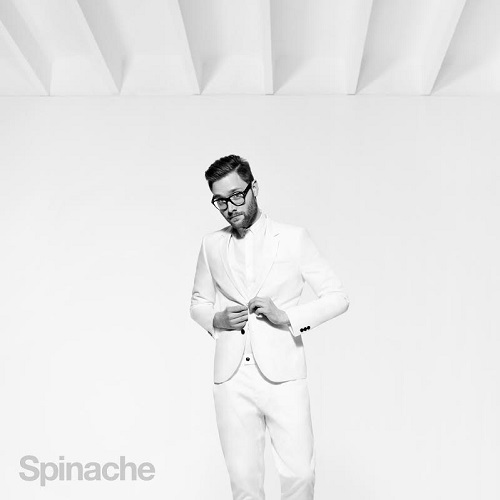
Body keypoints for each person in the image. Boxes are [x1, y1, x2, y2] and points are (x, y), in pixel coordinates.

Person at [190, 154, 349, 500]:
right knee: (244, 482)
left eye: (236, 195)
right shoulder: (211, 244)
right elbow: (199, 302)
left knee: (300, 475)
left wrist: (287, 317)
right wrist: (216, 319)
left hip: (284, 375)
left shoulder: (293, 239)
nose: (230, 207)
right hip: (232, 378)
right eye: (220, 200)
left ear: (254, 188)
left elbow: (338, 297)